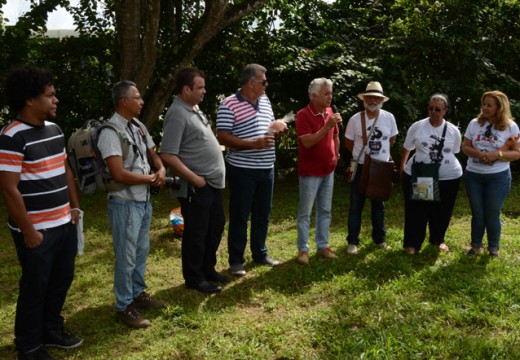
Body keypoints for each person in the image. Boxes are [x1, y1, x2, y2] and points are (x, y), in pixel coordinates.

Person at [0, 66, 82, 360]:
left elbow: (64, 170)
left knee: (61, 280)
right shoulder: (11, 137)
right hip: (36, 231)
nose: (55, 100)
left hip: (63, 223)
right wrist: (29, 231)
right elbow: (9, 189)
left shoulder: (55, 130)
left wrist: (74, 208)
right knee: (35, 287)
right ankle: (29, 346)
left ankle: (51, 328)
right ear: (30, 100)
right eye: (49, 95)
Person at [97, 80, 166, 328]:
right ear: (124, 101)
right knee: (125, 257)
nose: (142, 101)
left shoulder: (138, 125)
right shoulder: (110, 132)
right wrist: (151, 178)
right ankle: (124, 306)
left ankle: (138, 294)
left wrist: (161, 168)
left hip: (143, 200)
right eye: (137, 97)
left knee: (140, 251)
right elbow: (118, 173)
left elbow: (152, 152)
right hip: (125, 202)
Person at [160, 68, 228, 294]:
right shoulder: (177, 114)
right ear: (186, 89)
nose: (204, 91)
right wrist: (195, 179)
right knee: (196, 234)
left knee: (215, 226)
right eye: (199, 87)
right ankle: (194, 277)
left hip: (211, 185)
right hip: (196, 187)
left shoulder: (193, 108)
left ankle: (208, 269)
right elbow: (168, 154)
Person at [216, 63, 285, 276]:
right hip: (242, 169)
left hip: (267, 167)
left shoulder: (264, 100)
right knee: (240, 215)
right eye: (264, 81)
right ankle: (236, 260)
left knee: (263, 214)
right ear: (251, 82)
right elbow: (223, 137)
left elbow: (269, 126)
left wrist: (279, 129)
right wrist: (254, 143)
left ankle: (260, 253)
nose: (267, 85)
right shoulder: (229, 104)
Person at [400, 93, 462, 254]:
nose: (434, 112)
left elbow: (455, 151)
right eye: (431, 108)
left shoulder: (453, 130)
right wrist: (403, 166)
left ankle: (438, 240)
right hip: (424, 174)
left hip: (448, 177)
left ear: (445, 111)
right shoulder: (418, 126)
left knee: (442, 209)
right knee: (419, 208)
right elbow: (407, 147)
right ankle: (413, 243)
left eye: (438, 109)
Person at [461, 91, 520, 257]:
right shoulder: (474, 123)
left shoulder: (510, 127)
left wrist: (497, 155)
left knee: (492, 212)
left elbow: (517, 153)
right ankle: (475, 246)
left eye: (489, 105)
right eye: (484, 104)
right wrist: (480, 154)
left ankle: (493, 247)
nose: (485, 108)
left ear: (499, 108)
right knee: (478, 212)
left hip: (498, 177)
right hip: (474, 175)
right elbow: (465, 147)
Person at [344, 81, 398, 254]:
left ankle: (380, 240)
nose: (373, 100)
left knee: (378, 205)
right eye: (370, 97)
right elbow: (348, 142)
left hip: (381, 168)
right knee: (355, 205)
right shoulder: (355, 119)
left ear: (381, 100)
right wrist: (363, 156)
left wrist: (379, 156)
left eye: (376, 97)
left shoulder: (389, 117)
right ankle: (352, 241)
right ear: (364, 99)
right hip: (361, 167)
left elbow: (392, 140)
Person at [295, 78, 342, 265]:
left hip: (328, 170)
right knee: (305, 212)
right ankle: (303, 250)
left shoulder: (330, 112)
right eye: (326, 93)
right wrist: (327, 126)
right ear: (314, 96)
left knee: (325, 210)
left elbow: (336, 136)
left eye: (331, 93)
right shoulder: (303, 115)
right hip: (310, 171)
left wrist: (335, 156)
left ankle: (323, 246)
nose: (330, 97)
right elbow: (307, 142)